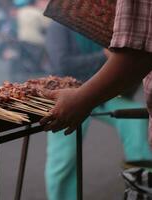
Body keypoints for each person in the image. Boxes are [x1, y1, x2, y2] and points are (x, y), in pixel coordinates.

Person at [44, 22, 152, 200]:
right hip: (68, 96)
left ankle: (143, 184)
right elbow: (62, 63)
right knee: (63, 159)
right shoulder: (60, 25)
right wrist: (103, 55)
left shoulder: (111, 23)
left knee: (136, 121)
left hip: (104, 96)